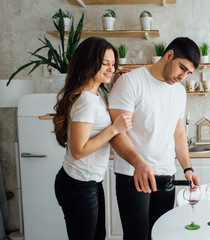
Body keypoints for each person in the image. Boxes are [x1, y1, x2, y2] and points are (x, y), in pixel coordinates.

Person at [108, 37, 201, 240]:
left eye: (188, 73)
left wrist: (188, 168)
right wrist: (139, 163)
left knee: (161, 235)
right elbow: (116, 133)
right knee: (137, 237)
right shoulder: (130, 81)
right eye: (182, 68)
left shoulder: (179, 91)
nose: (183, 76)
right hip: (133, 174)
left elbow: (178, 134)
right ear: (169, 55)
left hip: (166, 175)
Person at [53, 37, 132, 240]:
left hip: (90, 182)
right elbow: (78, 151)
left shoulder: (97, 93)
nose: (111, 68)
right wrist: (114, 129)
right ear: (89, 63)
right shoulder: (85, 101)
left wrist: (113, 82)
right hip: (78, 185)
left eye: (113, 64)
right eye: (105, 63)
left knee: (98, 236)